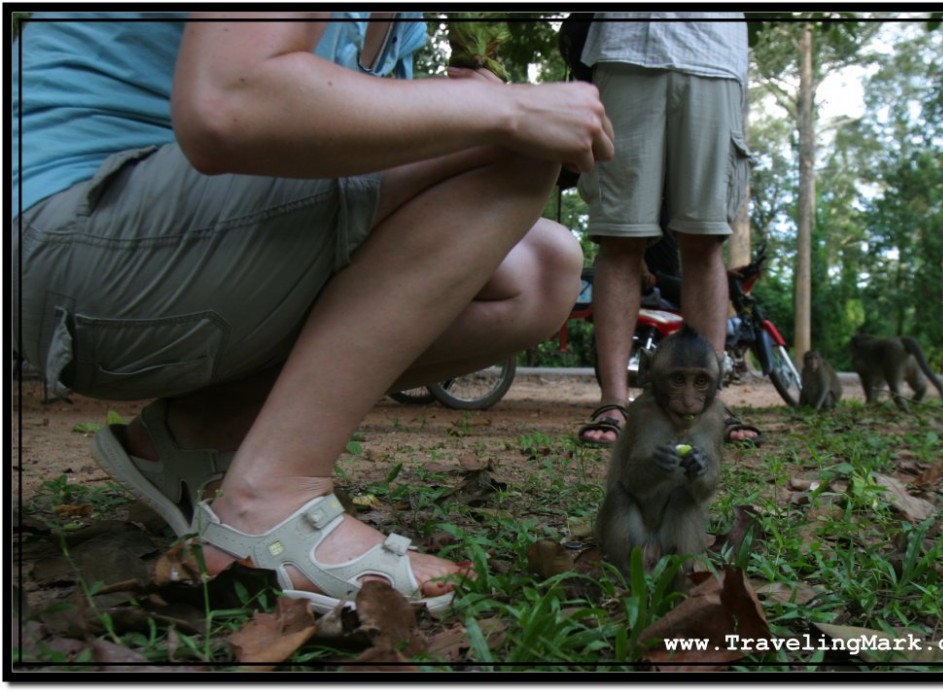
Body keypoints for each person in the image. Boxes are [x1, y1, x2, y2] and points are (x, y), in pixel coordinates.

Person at [13, 12, 613, 614]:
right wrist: (503, 110)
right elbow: (232, 103)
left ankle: (195, 438)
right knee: (507, 137)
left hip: (166, 258)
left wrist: (459, 103)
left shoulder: (402, 26)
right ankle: (267, 499)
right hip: (75, 240)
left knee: (540, 268)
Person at [574, 13, 762, 447]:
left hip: (715, 52)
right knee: (620, 237)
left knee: (705, 239)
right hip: (624, 48)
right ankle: (614, 400)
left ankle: (709, 402)